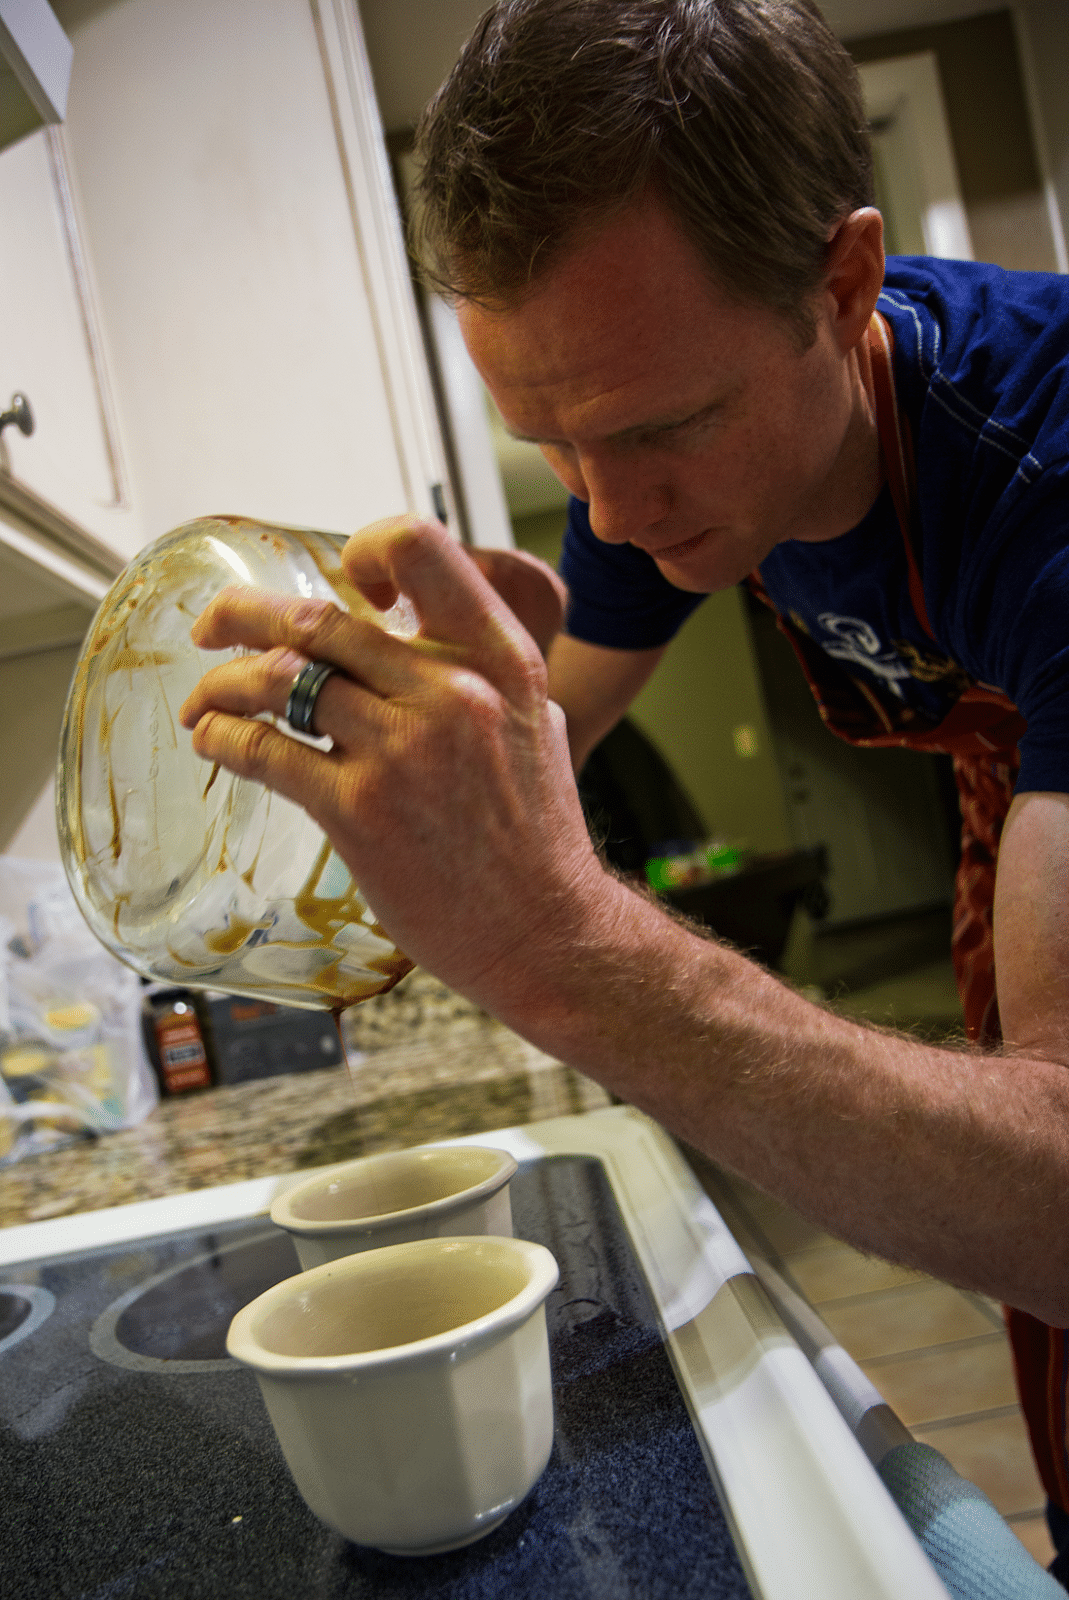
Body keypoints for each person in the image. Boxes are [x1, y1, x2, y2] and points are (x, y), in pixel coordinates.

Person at [178, 0, 1069, 1573]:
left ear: (845, 282)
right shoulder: (634, 456)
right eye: (557, 447)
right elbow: (548, 726)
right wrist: (419, 749)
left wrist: (558, 943)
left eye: (663, 431)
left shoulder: (1045, 489)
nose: (615, 511)